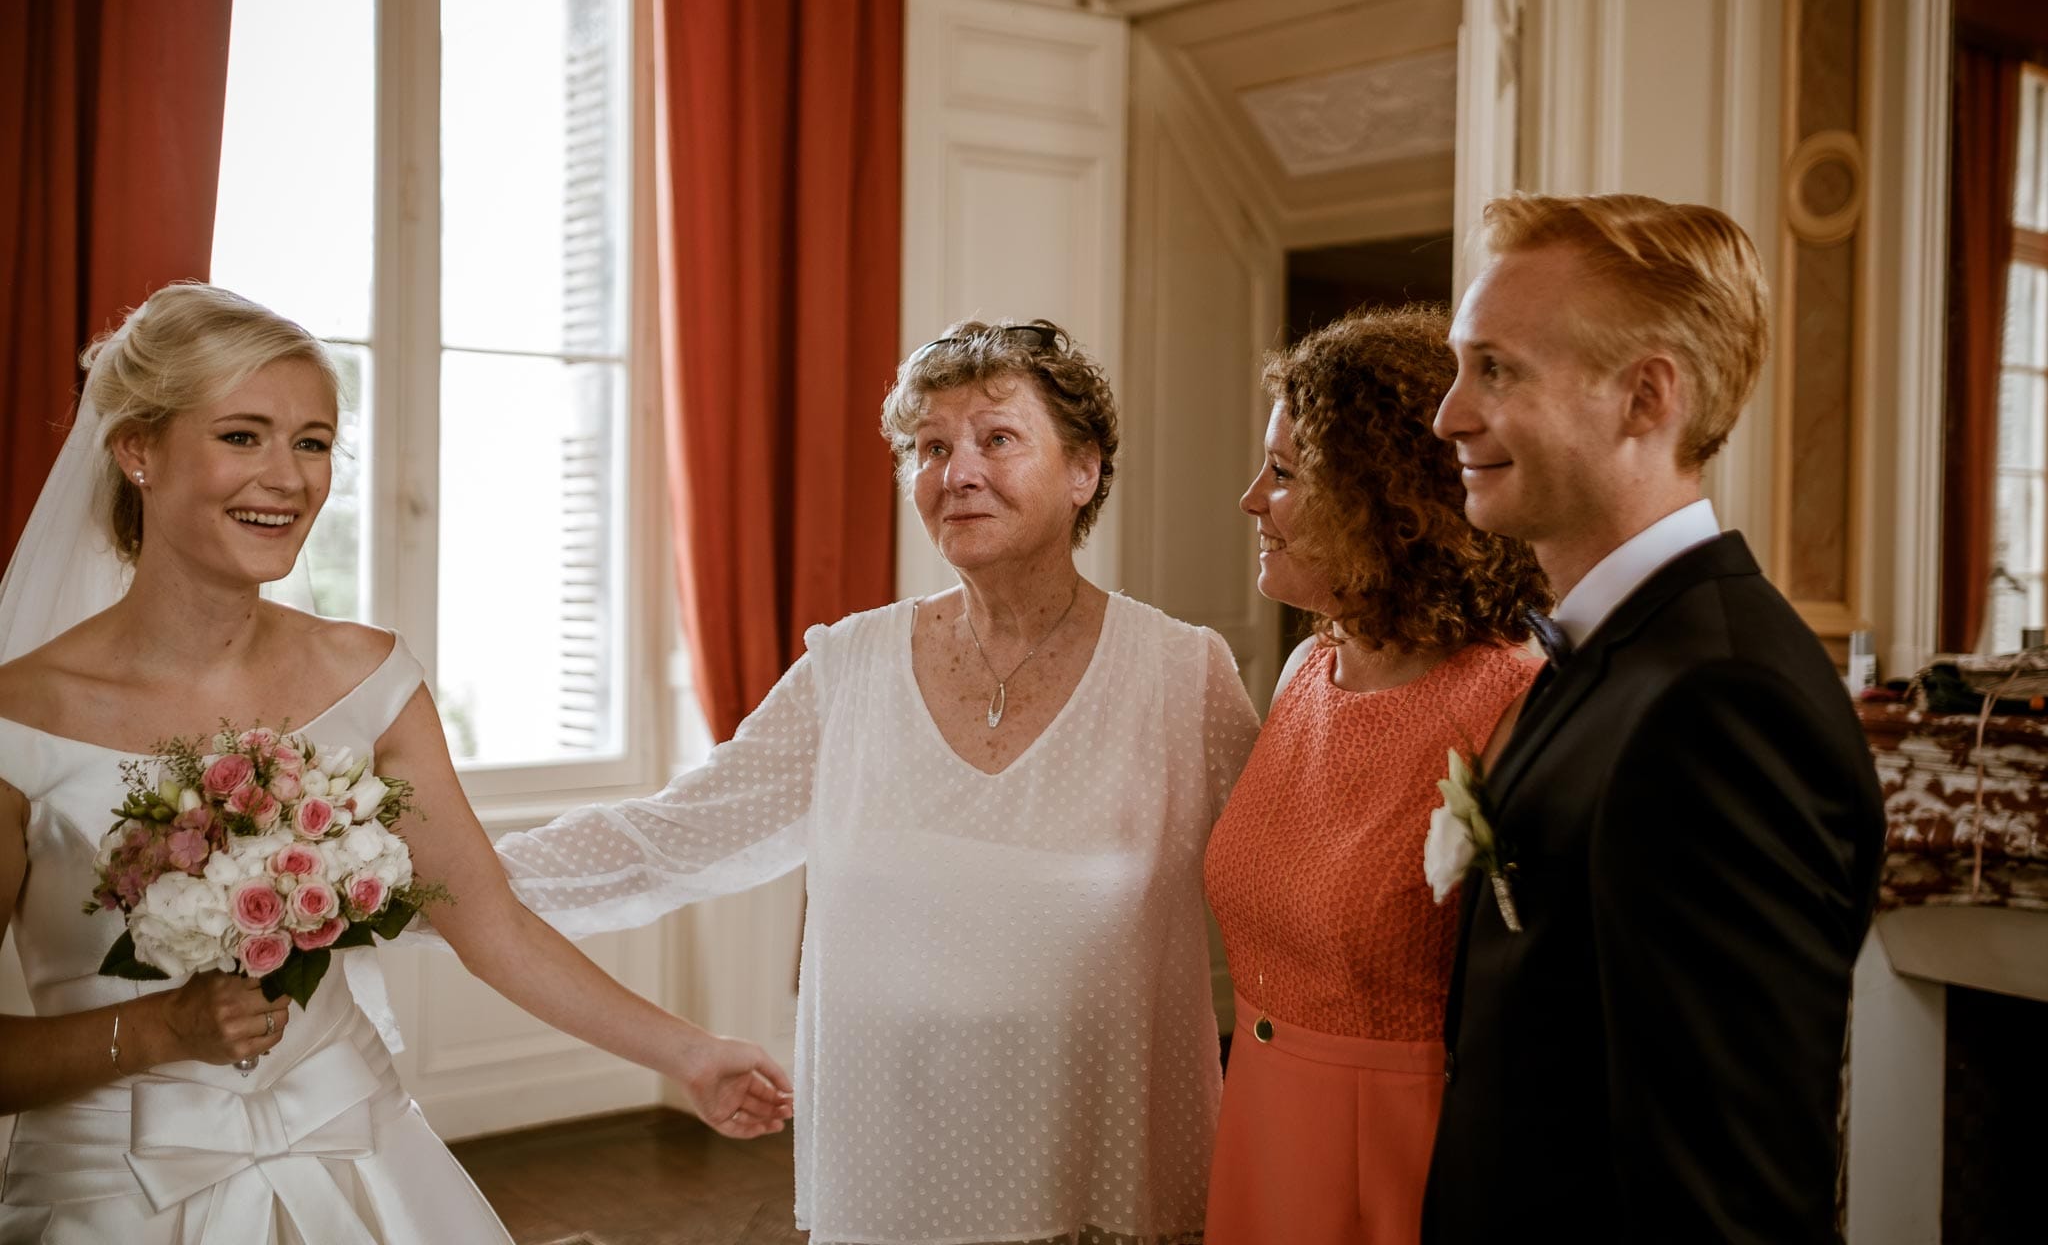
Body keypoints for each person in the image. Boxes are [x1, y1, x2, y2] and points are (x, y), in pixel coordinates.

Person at [0, 283, 793, 1243]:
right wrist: (159, 1033)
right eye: (242, 436)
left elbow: (489, 922)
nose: (288, 479)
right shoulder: (21, 718)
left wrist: (692, 1052)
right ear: (138, 451)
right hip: (113, 1201)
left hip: (361, 1167)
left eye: (314, 442)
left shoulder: (367, 677)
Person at [486, 318, 1263, 1244]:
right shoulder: (848, 668)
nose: (957, 472)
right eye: (931, 448)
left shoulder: (1180, 675)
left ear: (1085, 470)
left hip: (1100, 1183)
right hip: (886, 1176)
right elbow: (671, 836)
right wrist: (419, 874)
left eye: (998, 439)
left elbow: (1287, 903)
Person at [1422, 194, 1885, 1242]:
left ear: (1644, 398)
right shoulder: (1608, 649)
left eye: (1494, 368)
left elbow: (1728, 1198)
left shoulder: (1721, 704)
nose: (1447, 413)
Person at [1201, 305, 1547, 1243]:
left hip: (1404, 1154)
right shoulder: (1306, 668)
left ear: (1380, 498)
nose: (1250, 500)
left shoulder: (1509, 699)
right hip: (1260, 1119)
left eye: (1282, 474)